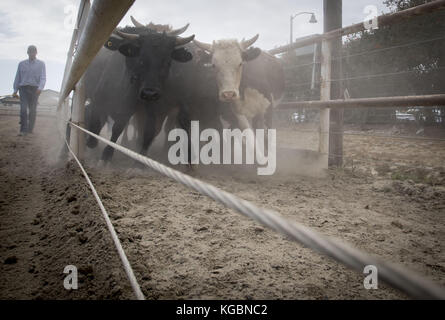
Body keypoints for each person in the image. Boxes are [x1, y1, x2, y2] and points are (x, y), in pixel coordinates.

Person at [13, 45, 46, 136]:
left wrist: (40, 88)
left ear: (36, 52)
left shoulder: (41, 64)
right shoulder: (21, 64)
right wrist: (15, 90)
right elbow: (18, 77)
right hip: (23, 88)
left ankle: (30, 129)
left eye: (33, 52)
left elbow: (43, 77)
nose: (32, 53)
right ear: (27, 53)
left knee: (32, 110)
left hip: (35, 89)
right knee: (23, 109)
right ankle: (23, 130)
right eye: (30, 52)